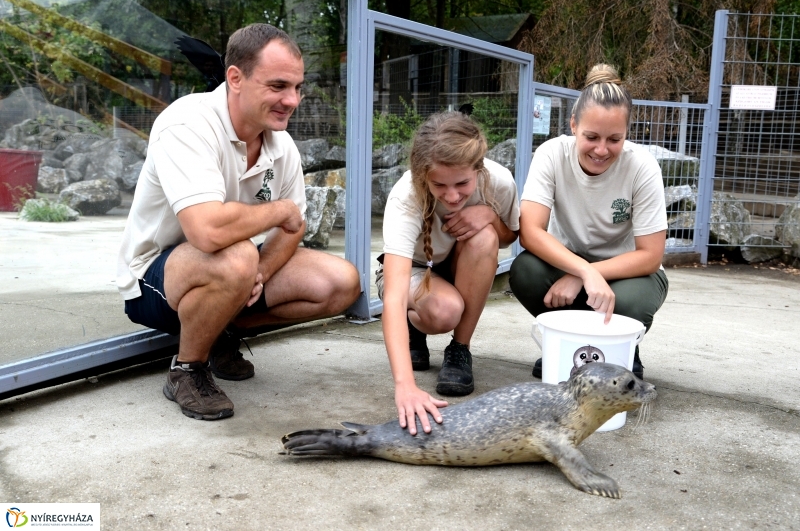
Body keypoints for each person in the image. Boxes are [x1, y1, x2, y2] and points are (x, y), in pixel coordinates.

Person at [116, 24, 361, 421]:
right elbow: (208, 231)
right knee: (236, 255)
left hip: (230, 268)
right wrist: (276, 212)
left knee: (340, 282)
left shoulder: (282, 145)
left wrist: (260, 273)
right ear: (235, 78)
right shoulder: (187, 123)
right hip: (153, 279)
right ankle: (186, 369)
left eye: (297, 87)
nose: (292, 100)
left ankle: (218, 330)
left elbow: (294, 228)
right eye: (279, 85)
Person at [509, 63, 669, 380]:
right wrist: (581, 270)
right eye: (591, 136)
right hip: (566, 262)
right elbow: (529, 231)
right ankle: (566, 346)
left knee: (632, 302)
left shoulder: (643, 167)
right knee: (525, 271)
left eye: (614, 139)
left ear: (627, 134)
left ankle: (621, 348)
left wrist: (586, 275)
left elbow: (651, 255)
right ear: (573, 125)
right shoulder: (551, 154)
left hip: (627, 272)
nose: (601, 150)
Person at [377, 111, 520, 435]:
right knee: (444, 311)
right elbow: (395, 296)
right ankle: (415, 329)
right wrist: (405, 386)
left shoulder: (499, 181)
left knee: (485, 238)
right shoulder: (405, 197)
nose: (453, 196)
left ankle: (460, 350)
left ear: (479, 169)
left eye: (463, 184)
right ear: (421, 174)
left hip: (457, 266)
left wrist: (486, 215)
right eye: (439, 185)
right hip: (413, 271)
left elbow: (510, 234)